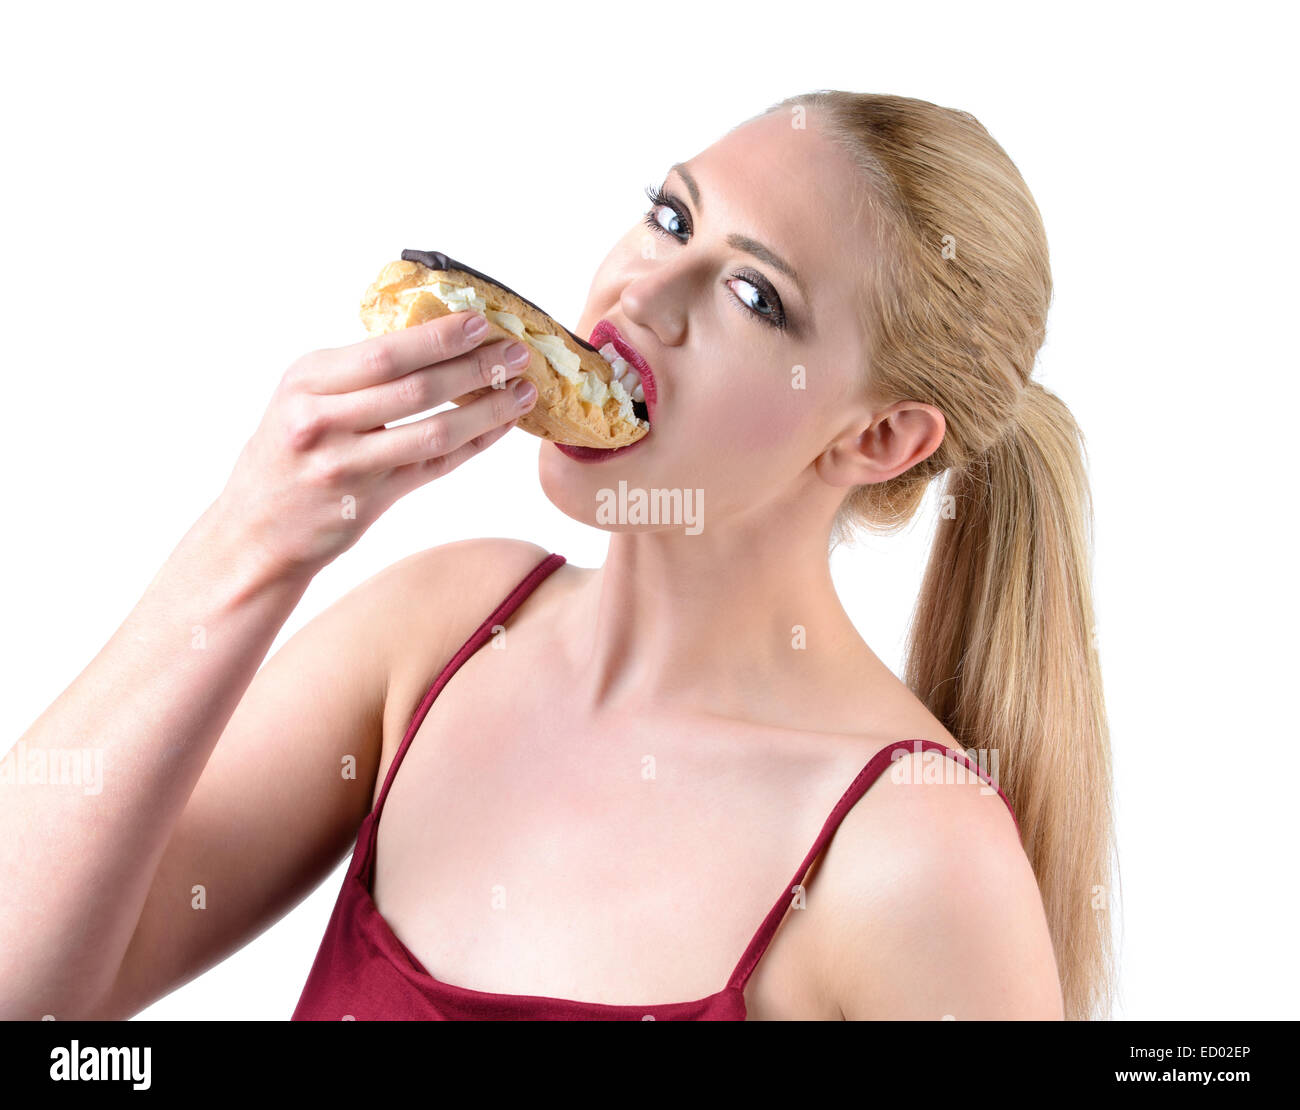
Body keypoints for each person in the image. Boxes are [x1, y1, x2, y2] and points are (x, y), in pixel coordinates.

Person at [1, 89, 1113, 1021]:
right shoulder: (441, 630)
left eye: (751, 294)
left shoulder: (911, 852)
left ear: (877, 438)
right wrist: (251, 542)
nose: (644, 294)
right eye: (672, 219)